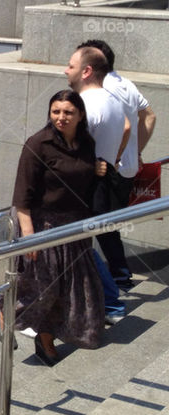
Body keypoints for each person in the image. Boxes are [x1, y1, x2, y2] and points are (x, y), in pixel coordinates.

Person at [11, 89, 107, 365]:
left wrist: (96, 168)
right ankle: (13, 314)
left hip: (75, 225)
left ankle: (49, 335)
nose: (61, 117)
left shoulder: (86, 143)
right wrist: (30, 238)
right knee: (45, 289)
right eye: (56, 111)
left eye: (68, 112)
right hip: (43, 226)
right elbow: (22, 198)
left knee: (81, 288)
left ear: (80, 115)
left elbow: (84, 175)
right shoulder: (37, 145)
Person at [65, 46, 133, 287]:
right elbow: (126, 127)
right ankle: (120, 280)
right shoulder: (112, 99)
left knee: (76, 243)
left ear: (86, 71)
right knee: (103, 232)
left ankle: (110, 297)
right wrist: (114, 157)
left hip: (82, 185)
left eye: (71, 66)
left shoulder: (84, 105)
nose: (65, 70)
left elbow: (67, 150)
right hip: (103, 180)